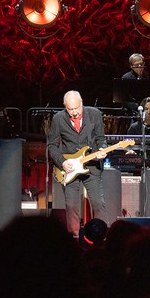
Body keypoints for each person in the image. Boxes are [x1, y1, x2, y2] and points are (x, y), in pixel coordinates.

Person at [47, 90, 107, 237]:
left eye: (76, 108)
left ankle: (100, 236)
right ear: (65, 107)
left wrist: (102, 149)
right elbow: (52, 146)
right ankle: (74, 238)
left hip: (91, 166)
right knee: (71, 205)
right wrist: (62, 162)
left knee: (98, 203)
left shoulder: (94, 114)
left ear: (82, 103)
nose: (74, 112)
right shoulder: (58, 119)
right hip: (69, 168)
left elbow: (101, 139)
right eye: (70, 109)